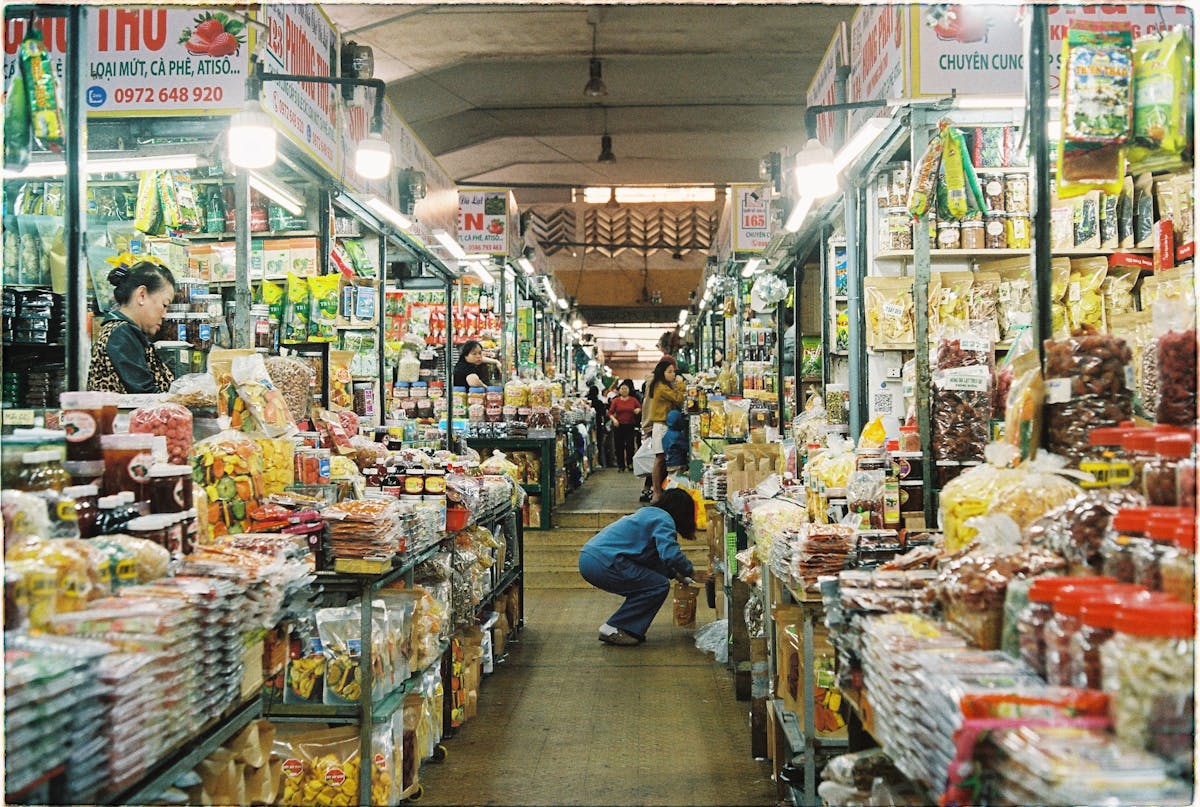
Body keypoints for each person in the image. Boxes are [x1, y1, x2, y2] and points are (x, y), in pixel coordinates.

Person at [577, 488, 697, 645]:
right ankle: (614, 627)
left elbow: (652, 560)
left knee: (649, 583)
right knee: (657, 586)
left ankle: (625, 628)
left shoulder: (647, 514)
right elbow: (670, 555)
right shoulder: (664, 520)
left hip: (590, 557)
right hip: (605, 561)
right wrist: (689, 571)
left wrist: (674, 574)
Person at [87, 255, 177, 394]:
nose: (164, 315)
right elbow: (144, 395)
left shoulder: (127, 332)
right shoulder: (121, 335)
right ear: (142, 295)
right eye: (164, 305)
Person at [645, 358, 686, 503]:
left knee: (662, 459)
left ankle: (660, 491)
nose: (673, 374)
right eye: (670, 372)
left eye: (673, 372)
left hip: (665, 425)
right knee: (660, 458)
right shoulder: (661, 387)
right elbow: (678, 398)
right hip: (661, 426)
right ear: (662, 373)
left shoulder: (662, 385)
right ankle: (656, 491)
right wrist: (681, 385)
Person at [607, 379, 641, 472]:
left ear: (629, 390)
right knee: (619, 446)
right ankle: (621, 465)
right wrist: (614, 420)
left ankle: (630, 463)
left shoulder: (633, 400)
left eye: (626, 389)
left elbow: (640, 407)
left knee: (630, 445)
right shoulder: (616, 401)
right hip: (618, 426)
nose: (624, 390)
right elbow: (610, 413)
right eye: (622, 389)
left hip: (630, 425)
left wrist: (638, 410)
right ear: (619, 390)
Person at [586, 385, 609, 467]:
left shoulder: (585, 401)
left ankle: (590, 464)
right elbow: (604, 413)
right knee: (598, 444)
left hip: (587, 426)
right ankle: (598, 462)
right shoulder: (599, 402)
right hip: (597, 425)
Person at [661, 408, 689, 475]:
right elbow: (687, 447)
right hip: (678, 463)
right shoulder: (677, 436)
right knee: (678, 482)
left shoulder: (667, 434)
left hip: (669, 462)